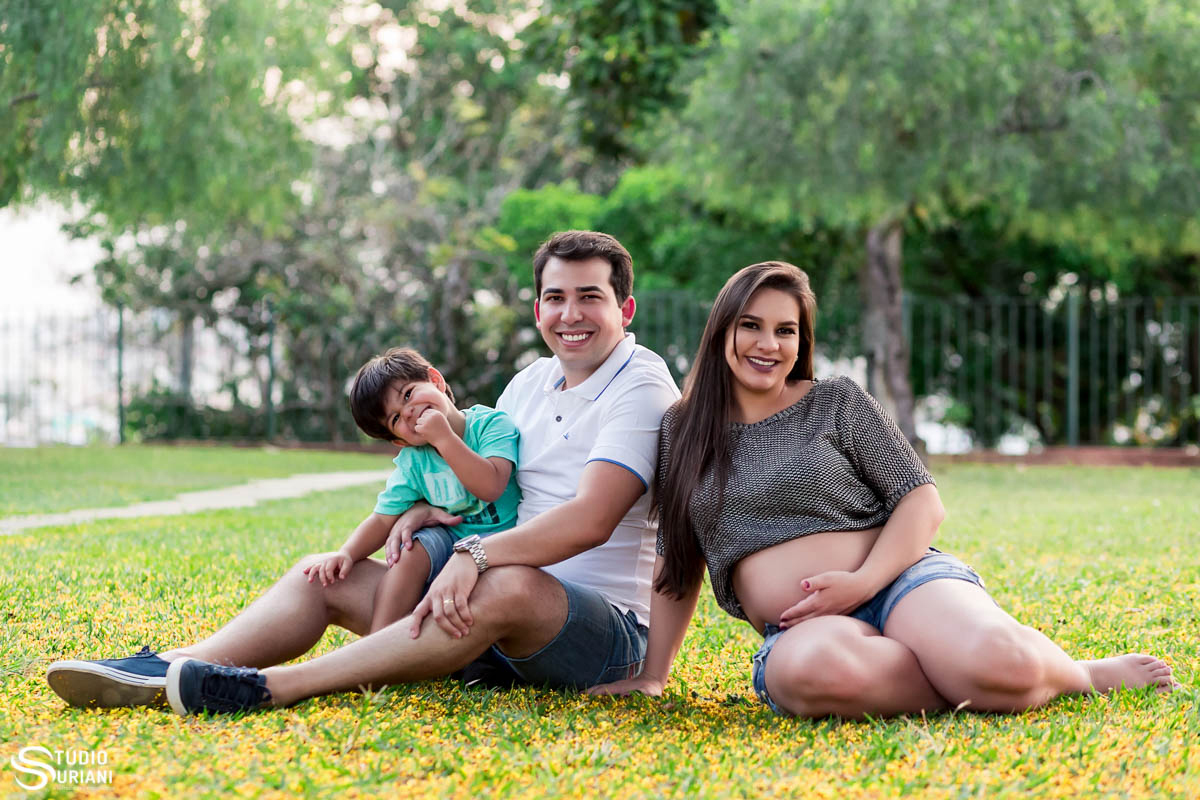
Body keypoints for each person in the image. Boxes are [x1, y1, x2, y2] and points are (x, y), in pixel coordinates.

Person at [45, 230, 680, 715]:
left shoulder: (642, 383)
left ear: (624, 310)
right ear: (538, 307)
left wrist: (479, 554)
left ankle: (265, 689)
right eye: (555, 298)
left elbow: (592, 520)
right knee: (323, 575)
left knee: (508, 585)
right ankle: (169, 668)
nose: (570, 314)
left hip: (598, 630)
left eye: (589, 297)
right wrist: (422, 514)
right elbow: (487, 484)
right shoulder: (530, 381)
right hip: (486, 609)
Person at [590, 261, 1177, 717]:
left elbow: (921, 500)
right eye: (751, 326)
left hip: (901, 581)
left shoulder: (838, 400)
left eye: (785, 330)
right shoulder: (682, 429)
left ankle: (1075, 674)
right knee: (806, 675)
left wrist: (861, 584)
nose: (767, 344)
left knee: (1002, 661)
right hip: (805, 628)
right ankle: (968, 676)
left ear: (802, 339)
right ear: (722, 329)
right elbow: (677, 560)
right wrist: (653, 674)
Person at [305, 346, 522, 633]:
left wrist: (444, 438)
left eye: (408, 394)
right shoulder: (414, 461)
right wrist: (347, 553)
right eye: (395, 419)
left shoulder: (490, 425)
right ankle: (379, 646)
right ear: (400, 441)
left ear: (435, 380)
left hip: (502, 548)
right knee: (411, 548)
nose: (408, 413)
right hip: (450, 546)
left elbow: (491, 485)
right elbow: (383, 518)